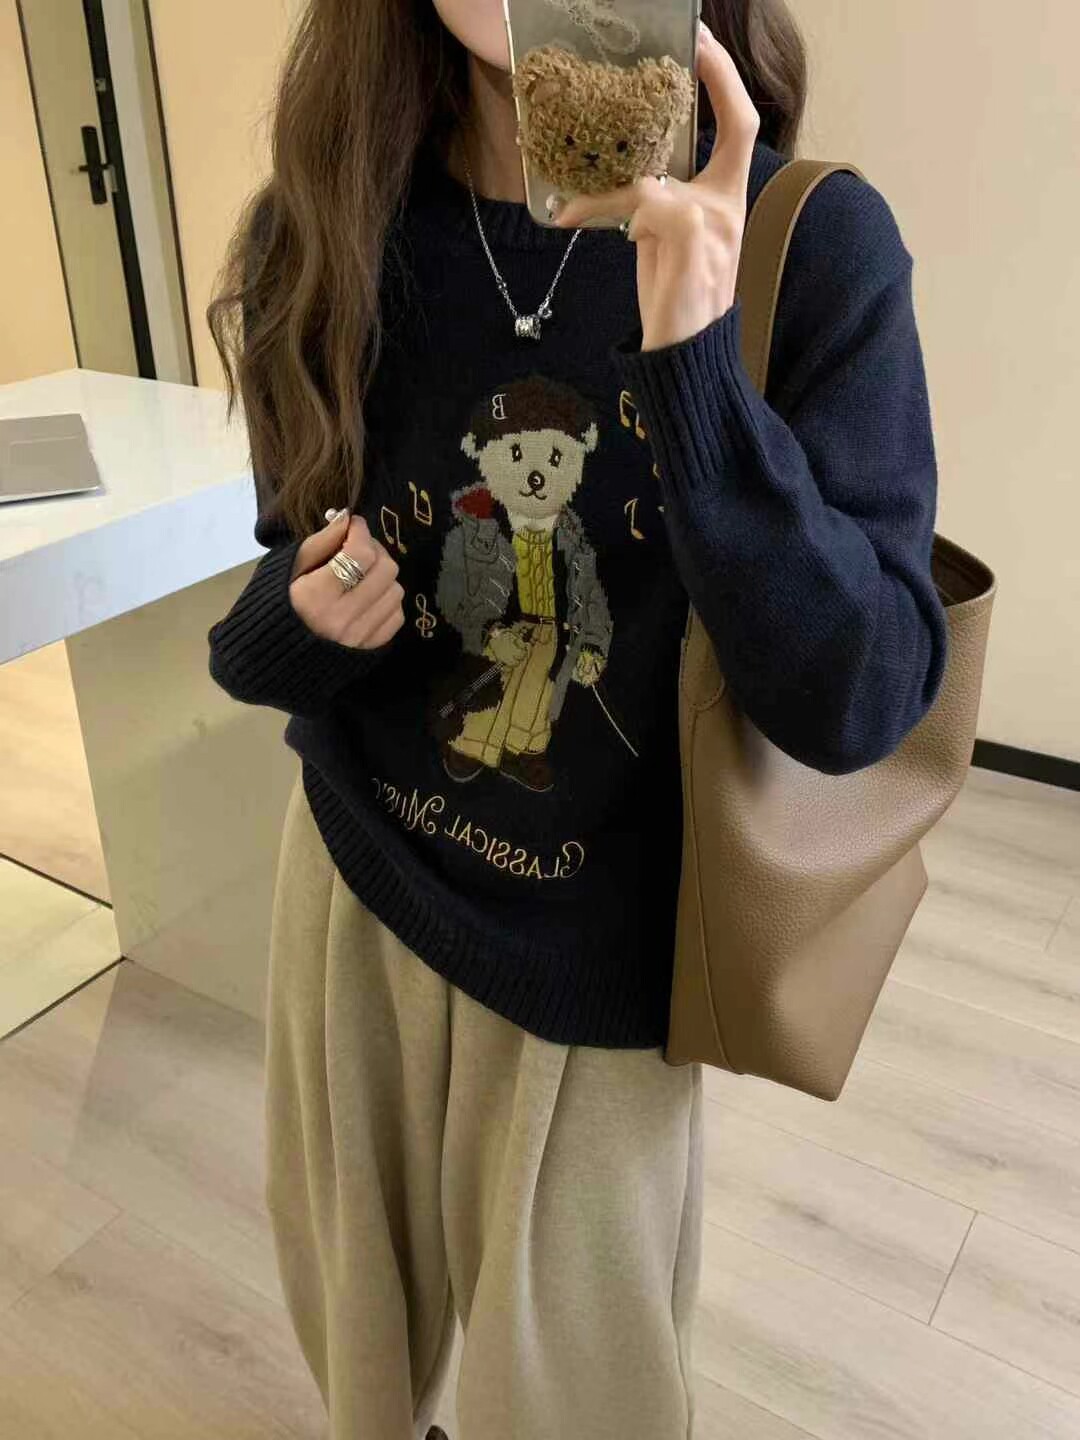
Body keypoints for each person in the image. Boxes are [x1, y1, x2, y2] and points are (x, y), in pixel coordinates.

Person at [206, 1, 949, 1436]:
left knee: (583, 1403)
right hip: (354, 897)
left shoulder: (806, 246)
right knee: (358, 1359)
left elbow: (863, 697)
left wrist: (699, 370)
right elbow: (283, 566)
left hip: (598, 976)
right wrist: (294, 618)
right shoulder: (324, 223)